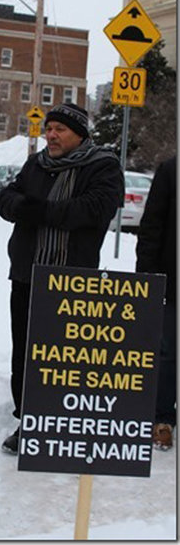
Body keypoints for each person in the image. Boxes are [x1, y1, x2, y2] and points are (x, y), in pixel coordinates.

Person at [0, 103, 125, 454]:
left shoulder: (103, 166)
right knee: (24, 350)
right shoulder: (36, 163)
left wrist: (35, 210)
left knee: (63, 357)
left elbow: (94, 210)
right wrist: (27, 208)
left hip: (71, 278)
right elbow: (6, 199)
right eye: (48, 128)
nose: (50, 135)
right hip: (27, 272)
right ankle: (28, 419)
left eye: (59, 130)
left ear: (80, 134)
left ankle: (61, 421)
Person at [136, 155, 176, 450]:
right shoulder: (171, 170)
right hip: (173, 279)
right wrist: (146, 276)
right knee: (168, 352)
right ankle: (162, 418)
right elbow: (151, 226)